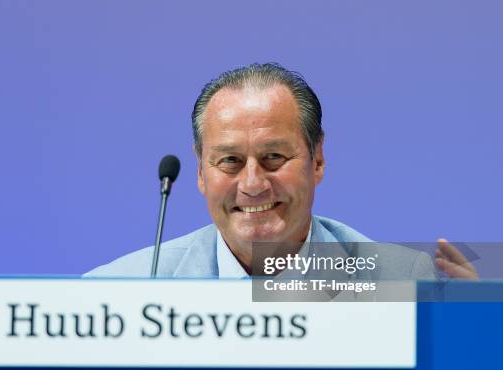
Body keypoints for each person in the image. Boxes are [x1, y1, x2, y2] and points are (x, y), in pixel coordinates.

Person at [84, 63, 477, 280]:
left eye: (273, 157)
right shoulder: (125, 291)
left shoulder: (400, 282)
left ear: (317, 160)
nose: (253, 184)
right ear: (201, 173)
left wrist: (480, 341)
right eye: (230, 161)